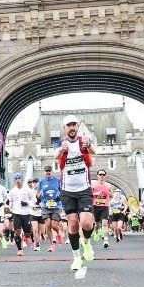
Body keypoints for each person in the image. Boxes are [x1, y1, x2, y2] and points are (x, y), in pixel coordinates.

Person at [53, 114, 97, 271]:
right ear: (65, 128)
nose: (72, 128)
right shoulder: (61, 143)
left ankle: (86, 242)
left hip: (84, 188)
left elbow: (94, 151)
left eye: (74, 125)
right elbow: (55, 155)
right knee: (72, 223)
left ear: (77, 127)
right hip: (67, 190)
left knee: (86, 222)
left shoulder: (83, 141)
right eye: (68, 125)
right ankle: (76, 258)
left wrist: (89, 145)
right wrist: (60, 150)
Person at [37, 165, 63, 252]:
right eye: (46, 171)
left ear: (52, 171)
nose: (48, 172)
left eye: (49, 170)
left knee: (54, 225)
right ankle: (52, 244)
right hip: (45, 205)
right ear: (44, 172)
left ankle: (59, 233)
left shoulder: (57, 180)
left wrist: (60, 196)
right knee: (47, 224)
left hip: (56, 205)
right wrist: (39, 195)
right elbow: (37, 194)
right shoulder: (41, 181)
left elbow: (62, 191)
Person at [7, 173, 34, 256]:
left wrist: (27, 203)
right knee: (17, 231)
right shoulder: (12, 191)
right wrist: (8, 206)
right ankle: (19, 249)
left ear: (22, 179)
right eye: (16, 179)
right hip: (17, 213)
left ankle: (29, 234)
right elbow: (9, 201)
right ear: (14, 180)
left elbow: (34, 199)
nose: (17, 180)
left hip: (26, 213)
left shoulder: (27, 189)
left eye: (19, 178)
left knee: (27, 234)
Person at [91, 169, 111, 248]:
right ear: (97, 176)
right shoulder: (93, 184)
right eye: (100, 174)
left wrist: (109, 194)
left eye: (103, 175)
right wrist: (96, 194)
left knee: (105, 224)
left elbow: (111, 193)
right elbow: (90, 194)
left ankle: (106, 241)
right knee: (96, 224)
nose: (102, 176)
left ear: (105, 176)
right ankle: (96, 232)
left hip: (104, 206)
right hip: (95, 206)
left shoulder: (108, 185)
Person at [27, 178, 43, 251]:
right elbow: (27, 200)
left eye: (36, 182)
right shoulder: (29, 192)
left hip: (41, 212)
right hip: (33, 212)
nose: (34, 184)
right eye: (33, 182)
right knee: (35, 229)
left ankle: (39, 239)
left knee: (41, 231)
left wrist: (40, 202)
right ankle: (37, 244)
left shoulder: (42, 191)